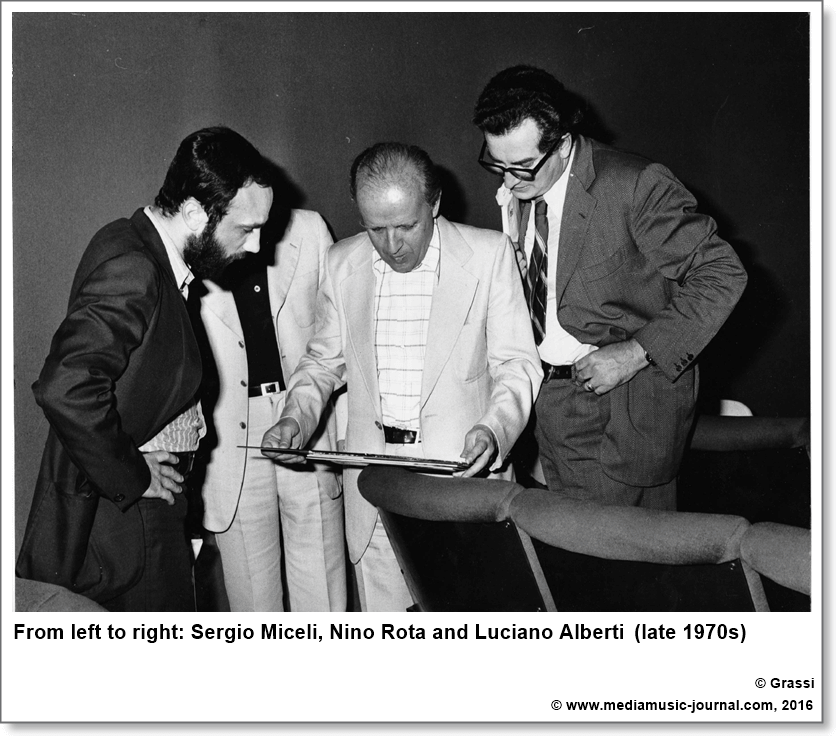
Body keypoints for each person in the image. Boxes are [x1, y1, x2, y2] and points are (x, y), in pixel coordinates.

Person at [261, 142, 542, 611]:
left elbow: (516, 364)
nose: (393, 246)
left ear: (434, 205)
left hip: (461, 482)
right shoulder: (340, 262)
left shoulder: (489, 254)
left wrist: (494, 431)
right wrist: (296, 419)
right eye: (376, 228)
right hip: (375, 488)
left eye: (407, 226)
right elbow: (323, 362)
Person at [16, 126, 273, 611]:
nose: (257, 246)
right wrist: (134, 476)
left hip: (141, 508)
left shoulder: (129, 237)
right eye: (247, 228)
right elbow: (64, 385)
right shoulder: (136, 267)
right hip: (133, 519)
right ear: (196, 213)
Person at [473, 65, 748, 510]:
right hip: (553, 410)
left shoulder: (634, 185)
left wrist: (634, 353)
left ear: (562, 145)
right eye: (496, 164)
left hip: (623, 414)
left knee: (621, 572)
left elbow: (721, 272)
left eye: (522, 167)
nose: (507, 181)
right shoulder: (521, 189)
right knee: (573, 567)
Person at [196, 207, 347, 612]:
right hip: (229, 435)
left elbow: (338, 333)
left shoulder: (310, 228)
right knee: (252, 601)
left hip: (308, 415)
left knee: (324, 589)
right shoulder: (196, 239)